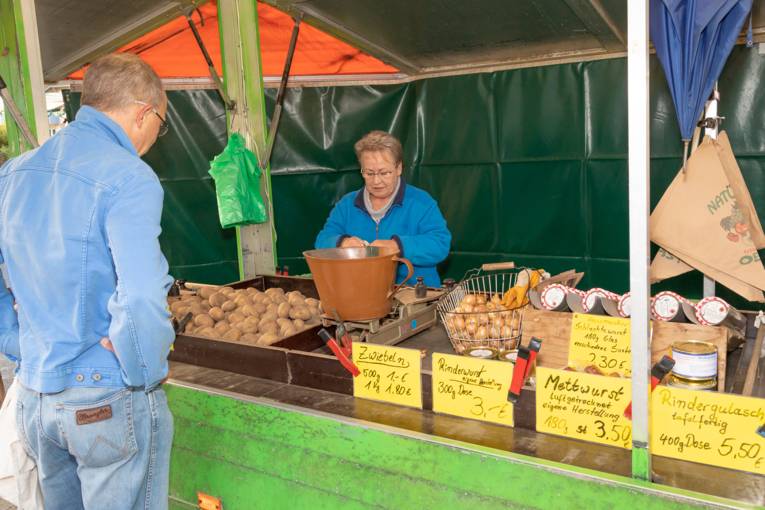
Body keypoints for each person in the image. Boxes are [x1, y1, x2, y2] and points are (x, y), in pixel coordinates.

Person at [0, 53, 175, 509]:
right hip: (105, 396)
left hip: (36, 400)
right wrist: (144, 371)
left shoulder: (13, 173)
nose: (157, 134)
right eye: (162, 122)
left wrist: (18, 343)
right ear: (143, 112)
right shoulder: (129, 177)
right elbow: (139, 295)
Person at [315, 131, 451, 287]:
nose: (376, 181)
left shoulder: (421, 202)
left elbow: (440, 244)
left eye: (384, 172)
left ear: (399, 168)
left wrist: (398, 246)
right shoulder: (347, 205)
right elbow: (322, 241)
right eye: (369, 173)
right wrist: (341, 243)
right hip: (359, 294)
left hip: (416, 296)